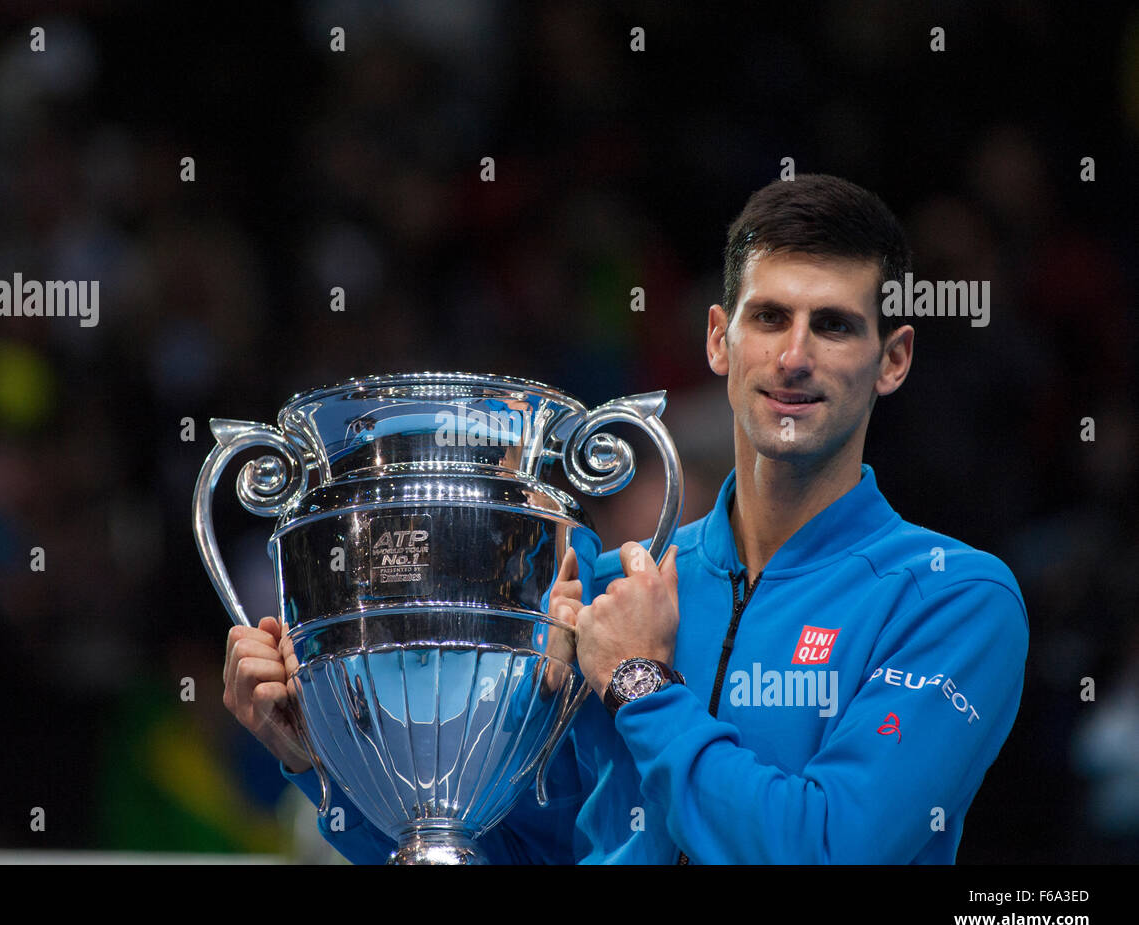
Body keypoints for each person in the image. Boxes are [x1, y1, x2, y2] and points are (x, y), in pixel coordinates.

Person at [222, 173, 1029, 863]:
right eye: (769, 317)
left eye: (835, 325)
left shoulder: (951, 598)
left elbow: (831, 844)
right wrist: (324, 764)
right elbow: (510, 852)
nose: (794, 356)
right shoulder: (612, 593)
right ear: (720, 340)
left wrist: (641, 685)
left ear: (894, 359)